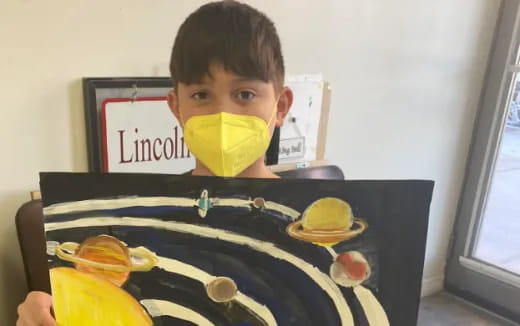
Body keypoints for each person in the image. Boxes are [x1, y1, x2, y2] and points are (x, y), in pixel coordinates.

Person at [16, 1, 292, 325]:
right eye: (202, 95)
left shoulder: (312, 223)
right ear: (176, 107)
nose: (222, 116)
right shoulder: (136, 223)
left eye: (244, 94)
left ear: (281, 105)